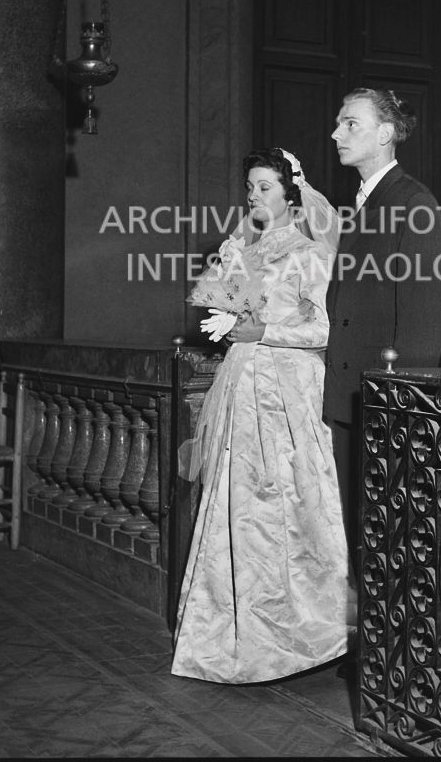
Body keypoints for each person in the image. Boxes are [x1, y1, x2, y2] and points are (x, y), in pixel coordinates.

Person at [171, 147, 350, 683]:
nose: (254, 196)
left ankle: (302, 634)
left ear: (292, 195)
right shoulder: (240, 247)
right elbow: (217, 307)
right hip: (240, 385)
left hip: (287, 393)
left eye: (265, 187)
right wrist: (226, 306)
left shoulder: (309, 253)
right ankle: (227, 637)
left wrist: (264, 331)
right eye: (250, 188)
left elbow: (324, 330)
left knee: (287, 505)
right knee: (235, 505)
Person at [324, 88, 441, 555]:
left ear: (384, 134)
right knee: (360, 545)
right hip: (350, 401)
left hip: (384, 409)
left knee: (386, 548)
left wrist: (398, 409)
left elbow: (424, 324)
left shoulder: (414, 204)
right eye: (339, 123)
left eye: (350, 123)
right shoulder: (362, 202)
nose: (337, 133)